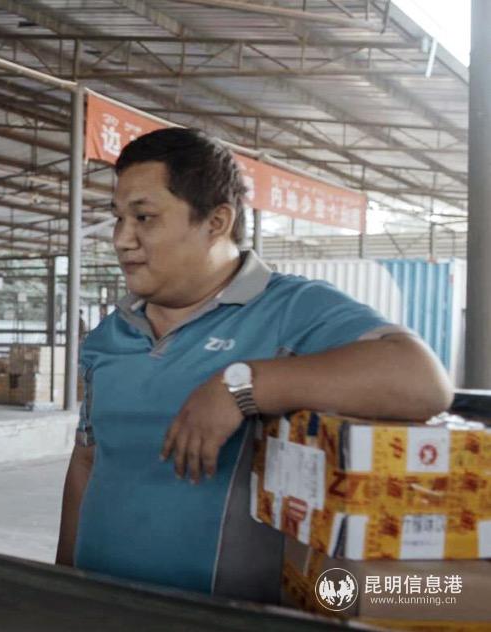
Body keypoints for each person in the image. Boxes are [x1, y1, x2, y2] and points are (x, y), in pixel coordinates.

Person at [55, 128, 452, 602]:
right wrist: (59, 585)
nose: (122, 239)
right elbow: (87, 460)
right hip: (98, 608)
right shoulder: (107, 337)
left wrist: (241, 386)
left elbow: (421, 380)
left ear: (216, 221)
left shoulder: (291, 310)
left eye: (144, 217)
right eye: (118, 218)